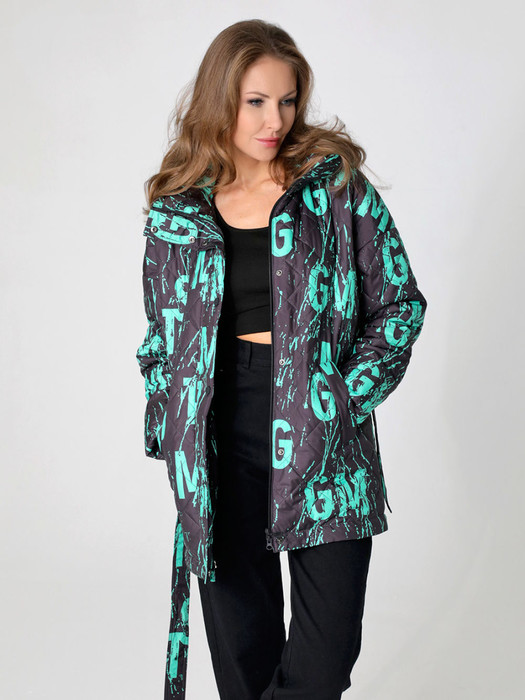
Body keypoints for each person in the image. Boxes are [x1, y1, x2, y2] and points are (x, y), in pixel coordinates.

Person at [136, 18, 427, 700]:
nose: (276, 119)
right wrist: (167, 423)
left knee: (323, 658)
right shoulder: (178, 212)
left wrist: (341, 397)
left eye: (288, 100)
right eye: (256, 101)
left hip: (320, 427)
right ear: (221, 100)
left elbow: (400, 305)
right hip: (216, 430)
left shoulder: (335, 190)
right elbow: (160, 338)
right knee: (243, 656)